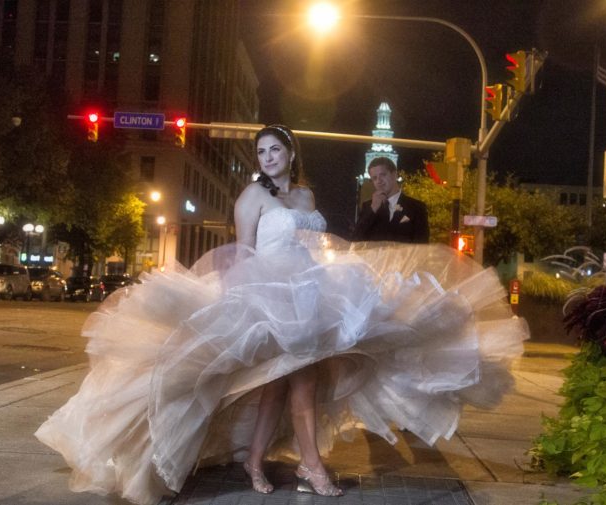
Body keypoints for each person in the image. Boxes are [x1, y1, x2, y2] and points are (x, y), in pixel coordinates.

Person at [35, 124, 527, 505]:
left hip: (312, 291)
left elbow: (319, 243)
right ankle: (312, 469)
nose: (268, 158)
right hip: (269, 295)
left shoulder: (307, 197)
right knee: (302, 381)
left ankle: (254, 462)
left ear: (290, 153)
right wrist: (237, 305)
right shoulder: (252, 197)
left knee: (281, 383)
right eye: (261, 152)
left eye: (275, 150)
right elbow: (243, 250)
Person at [353, 157, 429, 243]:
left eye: (383, 175)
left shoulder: (417, 207)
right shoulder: (368, 207)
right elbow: (355, 240)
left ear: (394, 175)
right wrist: (373, 209)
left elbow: (422, 244)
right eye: (374, 178)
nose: (379, 181)